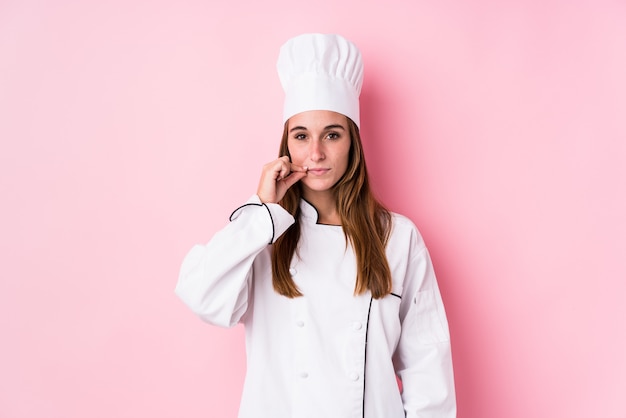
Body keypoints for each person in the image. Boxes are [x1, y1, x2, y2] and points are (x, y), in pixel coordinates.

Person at [175, 33, 456, 418]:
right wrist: (261, 212)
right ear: (286, 145)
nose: (317, 153)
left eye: (332, 135)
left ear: (352, 142)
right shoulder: (263, 238)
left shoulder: (397, 237)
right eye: (302, 136)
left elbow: (429, 371)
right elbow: (201, 296)